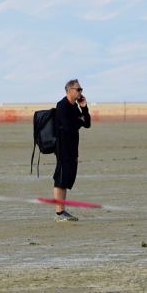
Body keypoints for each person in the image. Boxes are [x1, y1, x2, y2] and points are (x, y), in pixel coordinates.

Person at [52, 79, 91, 221]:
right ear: (69, 90)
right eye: (78, 89)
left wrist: (84, 108)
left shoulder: (75, 106)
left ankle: (62, 210)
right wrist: (78, 120)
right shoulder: (62, 105)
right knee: (61, 179)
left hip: (73, 148)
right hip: (62, 148)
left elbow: (87, 124)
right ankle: (59, 213)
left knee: (67, 179)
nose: (80, 92)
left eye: (81, 90)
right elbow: (68, 127)